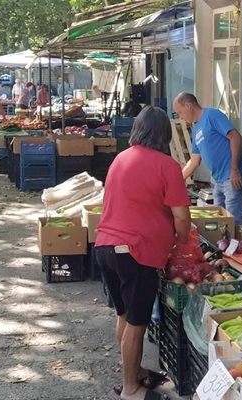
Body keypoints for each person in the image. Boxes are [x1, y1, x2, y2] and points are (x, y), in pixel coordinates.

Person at [95, 106, 190, 400]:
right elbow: (182, 217)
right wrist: (182, 244)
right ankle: (131, 389)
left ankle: (131, 372)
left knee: (124, 315)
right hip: (136, 252)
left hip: (105, 247)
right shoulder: (167, 165)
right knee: (138, 323)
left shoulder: (120, 158)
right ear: (165, 134)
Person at [173, 92, 242, 234]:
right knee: (219, 221)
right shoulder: (196, 129)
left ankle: (237, 248)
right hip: (217, 180)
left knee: (233, 221)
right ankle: (224, 248)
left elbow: (235, 137)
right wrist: (176, 180)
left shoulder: (212, 115)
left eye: (180, 112)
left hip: (231, 176)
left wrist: (234, 169)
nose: (180, 117)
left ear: (189, 106)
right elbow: (194, 161)